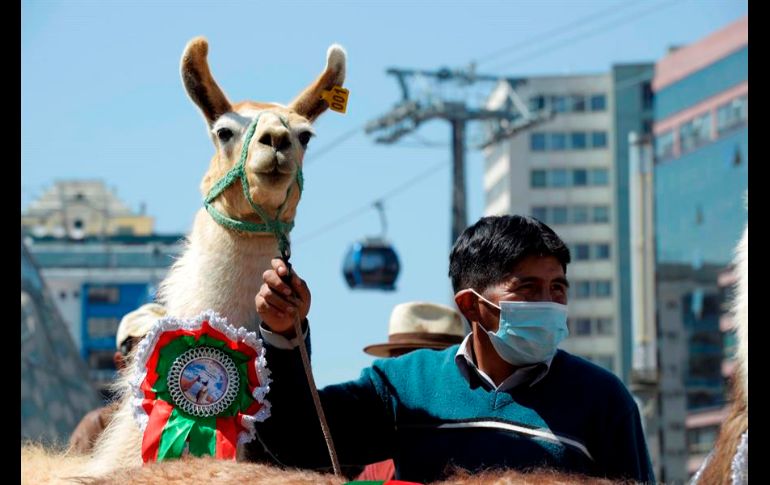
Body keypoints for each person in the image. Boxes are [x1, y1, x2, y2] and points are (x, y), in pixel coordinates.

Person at [249, 215, 654, 483]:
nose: (548, 303)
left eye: (558, 288)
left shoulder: (604, 399)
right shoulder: (405, 385)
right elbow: (298, 443)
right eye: (527, 289)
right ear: (470, 305)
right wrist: (285, 336)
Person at [356, 301, 466, 481]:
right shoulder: (378, 461)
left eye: (421, 364)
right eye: (399, 362)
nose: (410, 372)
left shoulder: (478, 440)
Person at [68, 303, 166, 454]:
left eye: (169, 347)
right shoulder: (99, 425)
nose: (161, 360)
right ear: (122, 363)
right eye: (147, 349)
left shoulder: (193, 421)